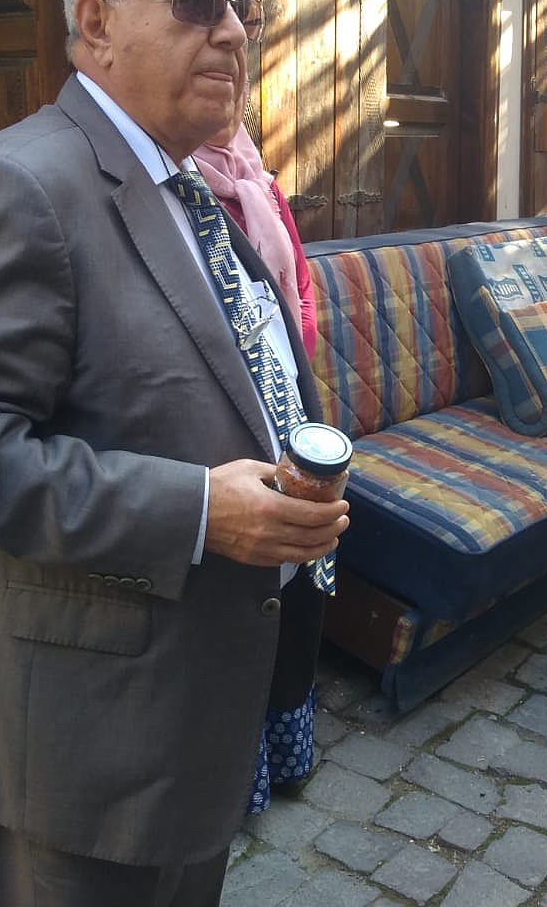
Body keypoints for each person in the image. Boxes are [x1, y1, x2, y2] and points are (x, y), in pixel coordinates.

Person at [0, 0, 349, 906]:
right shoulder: (20, 187)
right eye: (196, 3)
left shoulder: (185, 182)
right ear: (95, 23)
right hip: (79, 738)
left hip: (186, 707)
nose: (232, 31)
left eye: (242, 9)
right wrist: (198, 510)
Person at [192, 88, 325, 814]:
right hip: (225, 420)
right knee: (244, 597)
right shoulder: (182, 194)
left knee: (296, 590)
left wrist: (292, 366)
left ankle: (290, 757)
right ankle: (241, 784)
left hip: (286, 404)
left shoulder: (259, 184)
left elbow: (298, 286)